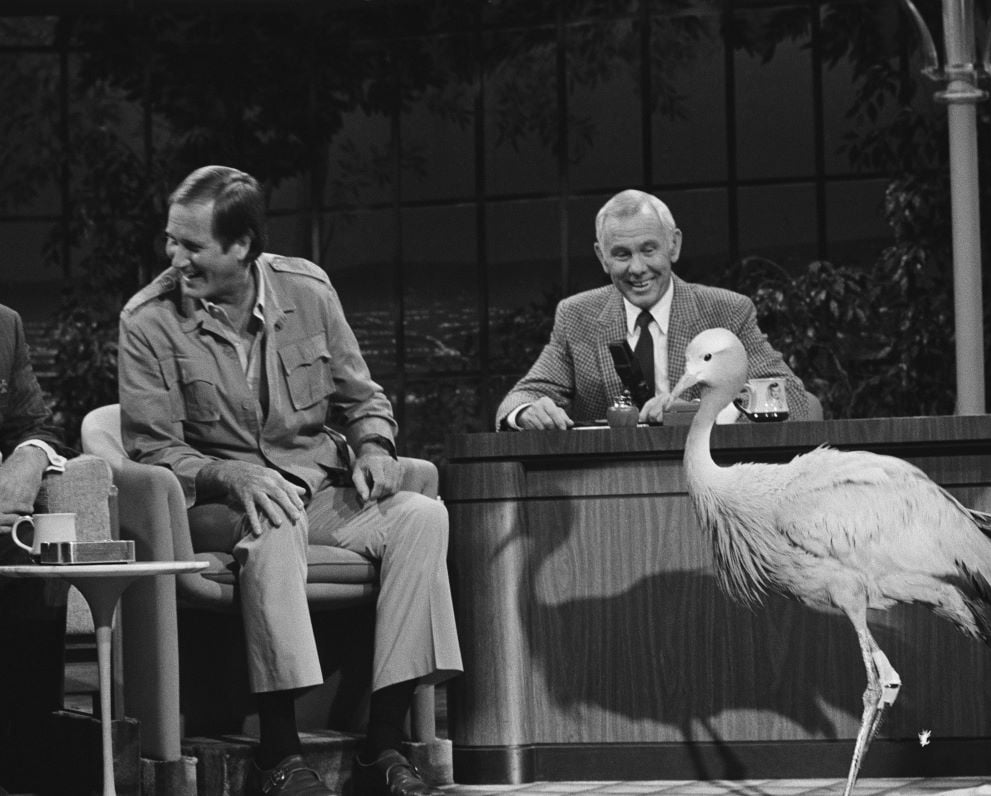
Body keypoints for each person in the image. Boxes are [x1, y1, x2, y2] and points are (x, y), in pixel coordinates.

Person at [118, 166, 461, 796]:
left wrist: (375, 446)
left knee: (422, 517)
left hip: (317, 486)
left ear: (241, 245)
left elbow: (363, 397)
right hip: (215, 500)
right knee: (274, 518)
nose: (174, 257)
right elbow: (153, 448)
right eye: (171, 240)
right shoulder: (148, 321)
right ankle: (279, 754)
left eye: (191, 245)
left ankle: (382, 745)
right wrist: (230, 473)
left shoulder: (308, 290)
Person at [495, 189, 821, 430]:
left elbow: (790, 397)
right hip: (607, 487)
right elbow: (521, 398)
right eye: (621, 254)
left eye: (649, 250)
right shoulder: (576, 316)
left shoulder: (727, 311)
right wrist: (526, 413)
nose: (637, 268)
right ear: (601, 257)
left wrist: (696, 413)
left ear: (673, 245)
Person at [0, 303, 68, 793]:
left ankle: (25, 773)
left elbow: (36, 426)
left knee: (34, 567)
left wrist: (27, 458)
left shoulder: (4, 324)